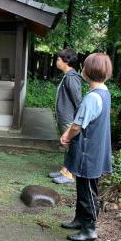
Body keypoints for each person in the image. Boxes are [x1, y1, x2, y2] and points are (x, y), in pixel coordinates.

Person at [59, 53, 113, 241]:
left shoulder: (92, 98)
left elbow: (77, 126)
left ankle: (89, 228)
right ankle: (79, 219)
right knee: (83, 188)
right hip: (94, 149)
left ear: (89, 72)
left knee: (88, 191)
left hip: (88, 151)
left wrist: (66, 135)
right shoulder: (104, 92)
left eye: (84, 67)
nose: (82, 69)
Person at [49, 48, 82, 184]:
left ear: (66, 61)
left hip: (69, 119)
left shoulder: (72, 78)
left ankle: (69, 175)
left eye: (58, 59)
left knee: (70, 145)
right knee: (66, 144)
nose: (56, 61)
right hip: (64, 117)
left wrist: (77, 120)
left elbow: (78, 101)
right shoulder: (67, 76)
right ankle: (64, 169)